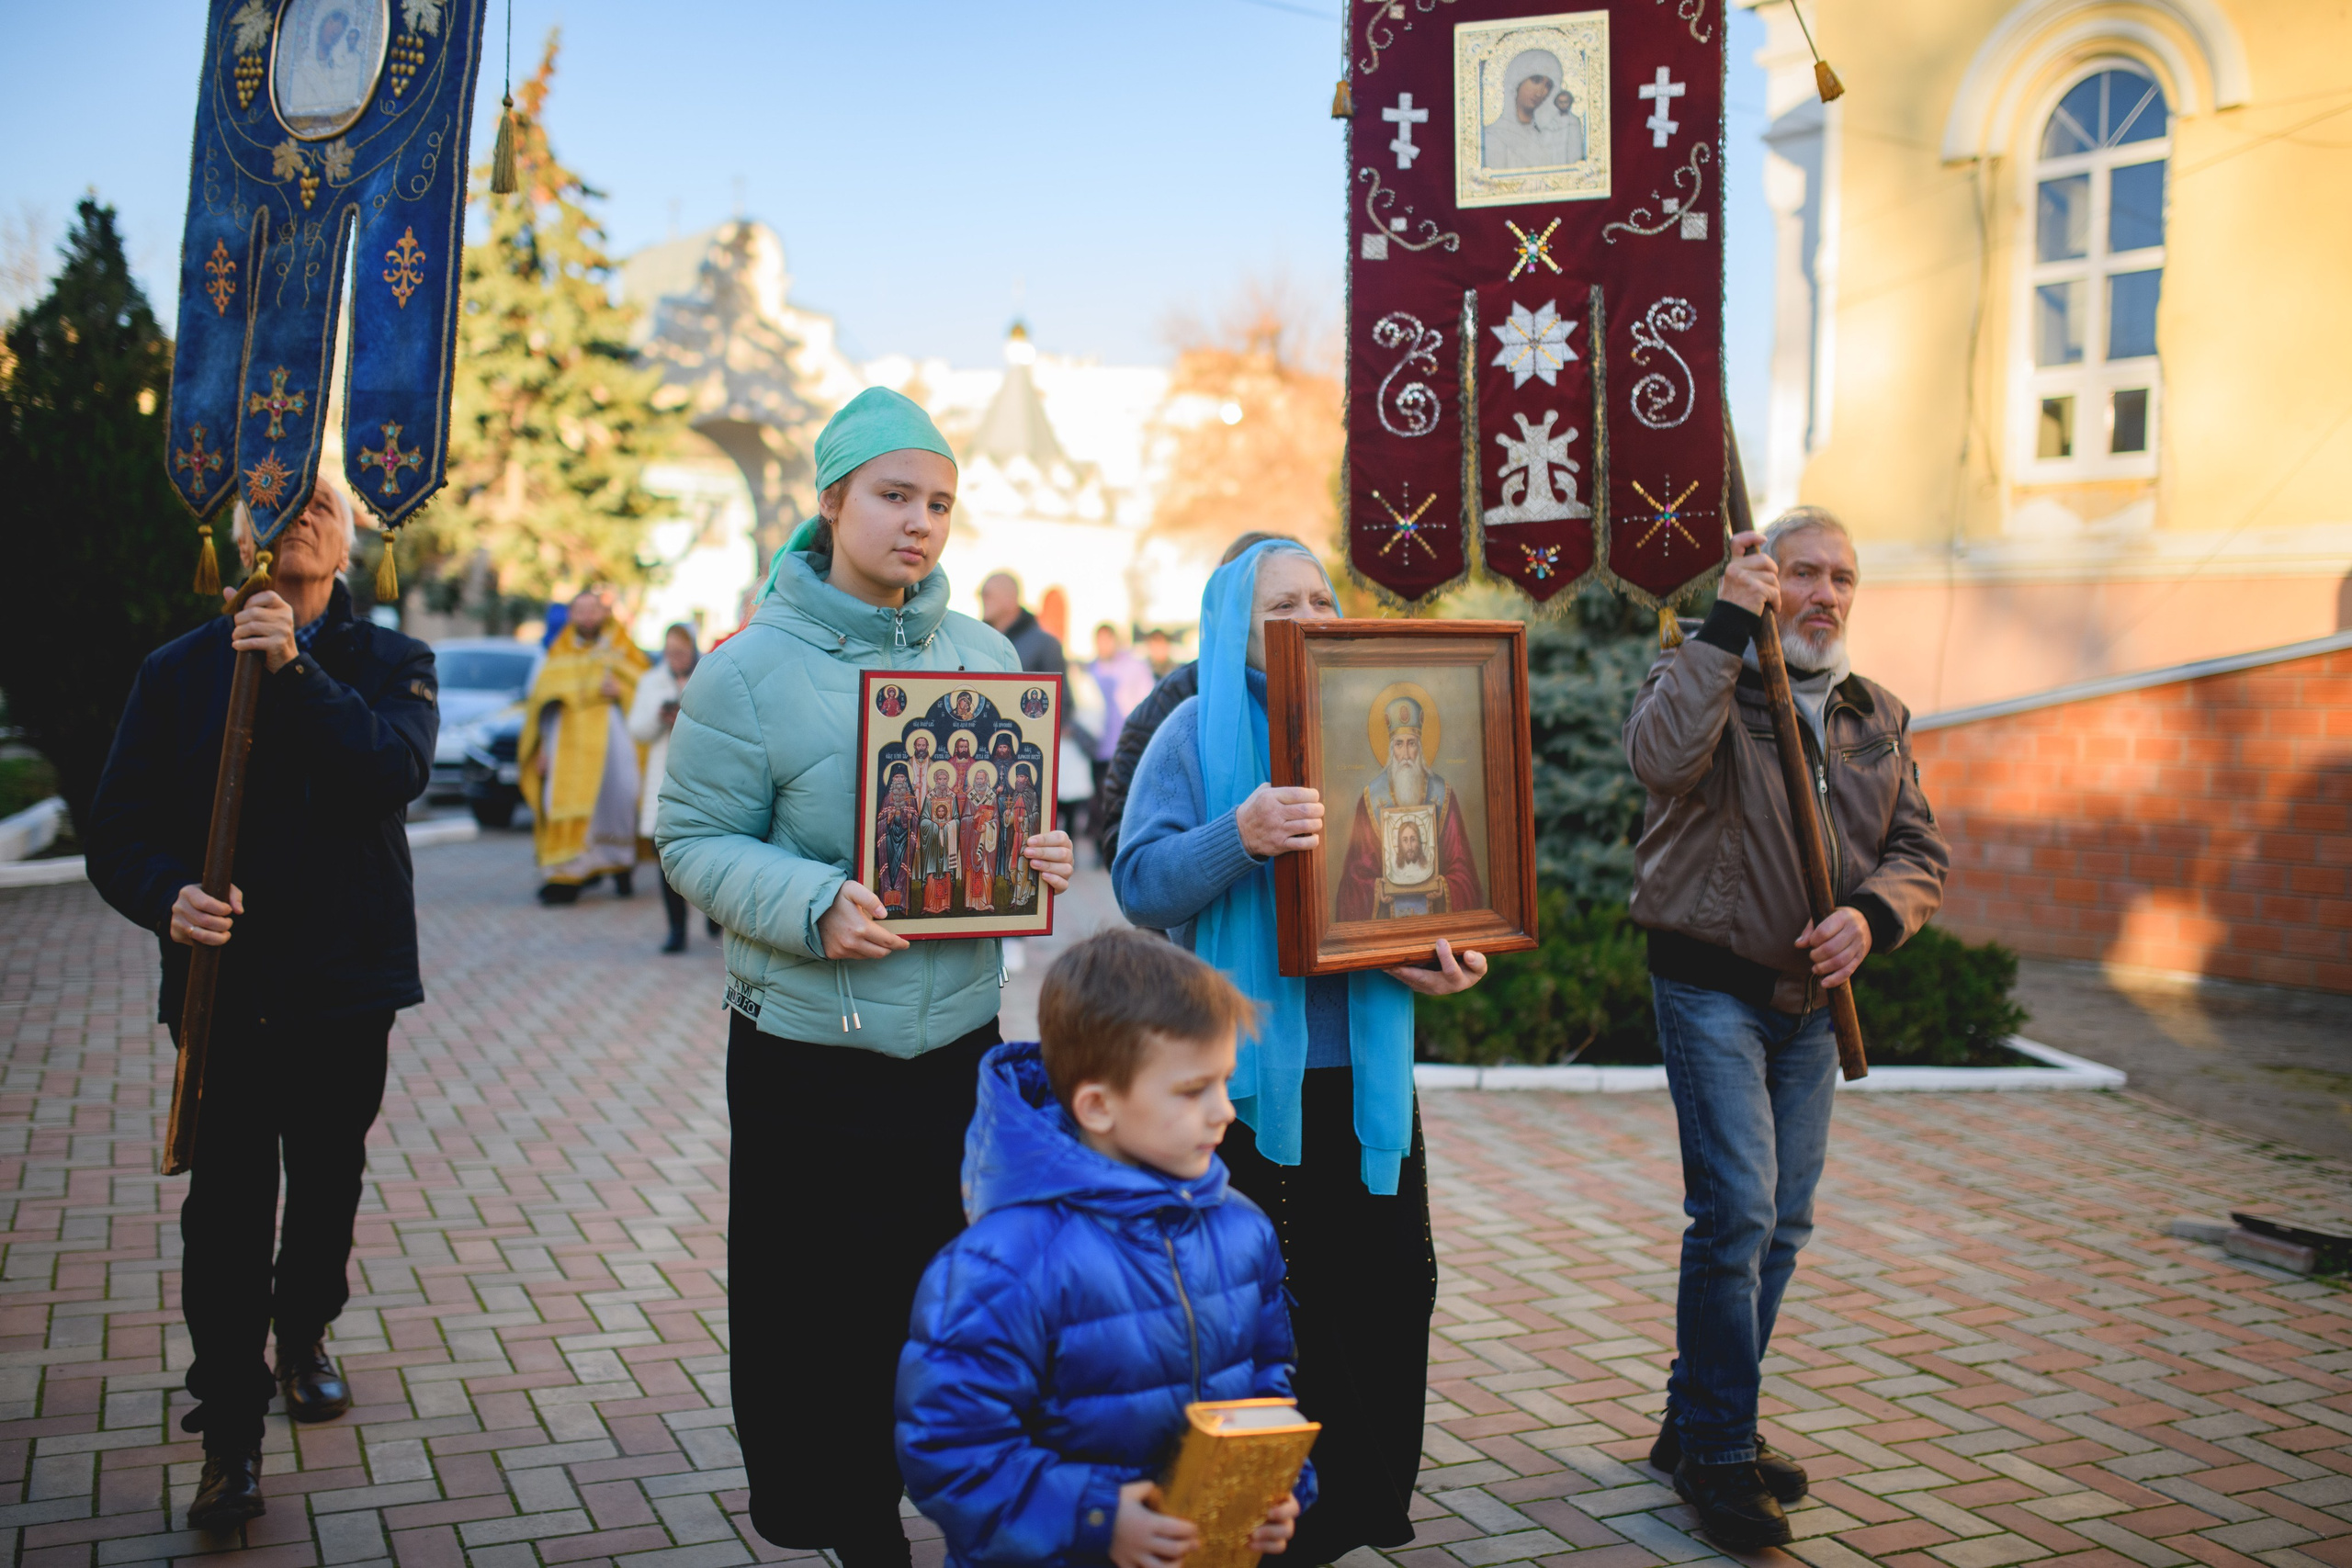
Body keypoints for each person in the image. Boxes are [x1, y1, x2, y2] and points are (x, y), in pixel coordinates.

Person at [655, 387, 1075, 1568]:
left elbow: (1001, 824)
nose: (921, 523)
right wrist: (811, 904)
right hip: (808, 1055)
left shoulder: (983, 658)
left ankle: (960, 1500)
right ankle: (851, 1528)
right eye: (894, 496)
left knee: (947, 1308)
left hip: (952, 1045)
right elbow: (689, 839)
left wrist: (1038, 852)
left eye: (940, 502)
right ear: (832, 500)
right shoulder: (750, 669)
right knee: (820, 1320)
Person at [1111, 540, 1487, 1565]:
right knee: (1271, 1309)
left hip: (1366, 1080)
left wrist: (1439, 957)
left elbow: (1421, 881)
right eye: (1284, 599)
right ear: (1235, 618)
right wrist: (1241, 832)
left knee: (1386, 1290)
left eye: (1323, 594)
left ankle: (1359, 1509)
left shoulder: (1377, 721)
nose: (1311, 610)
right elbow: (1139, 884)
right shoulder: (1192, 731)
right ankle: (1256, 1521)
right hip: (1241, 1086)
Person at [84, 480, 436, 1531]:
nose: (297, 517)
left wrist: (292, 665)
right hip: (224, 995)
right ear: (237, 531)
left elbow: (389, 772)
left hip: (345, 983)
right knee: (226, 1212)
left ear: (351, 534)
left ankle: (307, 1329)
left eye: (318, 499)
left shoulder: (390, 664)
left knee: (327, 1180)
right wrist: (167, 896)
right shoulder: (177, 672)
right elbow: (118, 829)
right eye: (273, 501)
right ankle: (229, 1434)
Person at [1623, 506, 1949, 1551]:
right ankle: (1721, 1449)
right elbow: (1661, 761)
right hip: (1708, 986)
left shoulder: (1875, 712)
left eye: (1842, 578)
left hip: (1810, 1005)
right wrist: (1723, 626)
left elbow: (1918, 850)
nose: (1824, 595)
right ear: (1764, 579)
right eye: (1802, 572)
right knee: (1737, 1217)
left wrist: (1872, 916)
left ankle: (1694, 1417)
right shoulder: (1702, 671)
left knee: (1784, 1224)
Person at [896, 931, 1309, 1568]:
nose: (1224, 1110)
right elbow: (950, 1449)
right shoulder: (1004, 1264)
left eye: (1225, 1080)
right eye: (1191, 1089)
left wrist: (1278, 1482)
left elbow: (1266, 1375)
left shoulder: (1242, 1227)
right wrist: (1094, 1518)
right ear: (1098, 1105)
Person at [1094, 532, 1299, 869]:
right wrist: (1235, 839)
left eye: (1318, 600)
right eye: (1283, 603)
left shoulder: (1330, 696)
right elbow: (1125, 844)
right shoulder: (1180, 703)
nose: (1302, 617)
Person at [519, 588, 650, 905]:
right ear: (571, 615)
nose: (587, 616)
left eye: (593, 610)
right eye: (580, 610)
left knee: (618, 800)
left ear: (603, 613)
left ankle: (620, 867)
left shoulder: (621, 647)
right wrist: (542, 749)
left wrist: (620, 689)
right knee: (561, 804)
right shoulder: (557, 652)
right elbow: (541, 704)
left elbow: (646, 685)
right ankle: (567, 877)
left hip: (613, 739)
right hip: (567, 745)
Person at [1332, 694, 1485, 921]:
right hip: (1386, 930)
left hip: (1437, 925)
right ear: (1391, 748)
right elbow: (1354, 879)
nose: (1405, 755)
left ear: (1420, 747)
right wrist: (1377, 890)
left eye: (1411, 744)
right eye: (1399, 744)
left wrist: (1443, 887)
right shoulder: (1370, 799)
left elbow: (1464, 871)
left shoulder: (1443, 795)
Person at [629, 623, 719, 953]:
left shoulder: (709, 674)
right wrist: (660, 714)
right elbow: (636, 729)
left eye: (681, 652)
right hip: (663, 778)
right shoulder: (651, 681)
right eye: (670, 652)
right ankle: (676, 930)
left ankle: (714, 912)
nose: (676, 658)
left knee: (708, 853)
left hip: (703, 778)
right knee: (666, 857)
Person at [1085, 624, 1155, 862]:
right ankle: (1099, 849)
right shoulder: (1090, 669)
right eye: (1100, 641)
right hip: (1097, 748)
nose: (1104, 646)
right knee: (1098, 800)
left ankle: (1119, 848)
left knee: (1121, 799)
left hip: (1126, 746)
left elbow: (1147, 702)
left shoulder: (1134, 667)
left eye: (1108, 640)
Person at [1482, 49, 1585, 170]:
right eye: (1536, 80)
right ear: (1516, 81)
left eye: (1548, 86)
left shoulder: (1549, 132)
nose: (1541, 92)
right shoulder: (1494, 135)